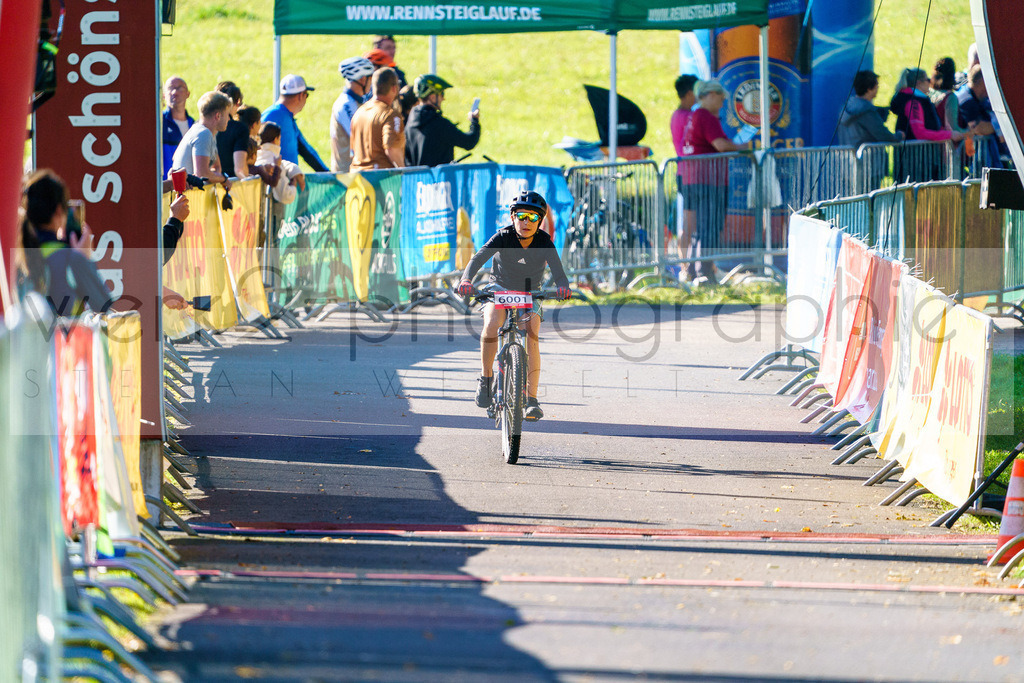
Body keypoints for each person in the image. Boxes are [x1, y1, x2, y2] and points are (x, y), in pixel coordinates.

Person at [455, 191, 572, 421]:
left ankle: (531, 400)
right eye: (521, 216)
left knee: (532, 333)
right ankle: (486, 378)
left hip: (530, 292)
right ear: (512, 217)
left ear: (540, 221)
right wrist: (466, 279)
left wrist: (563, 287)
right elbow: (477, 258)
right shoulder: (503, 237)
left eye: (533, 217)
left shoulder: (544, 243)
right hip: (499, 288)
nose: (526, 222)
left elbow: (560, 274)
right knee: (491, 323)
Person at [15, 169, 114, 315]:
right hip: (63, 338)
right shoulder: (71, 260)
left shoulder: (17, 261)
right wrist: (86, 260)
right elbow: (105, 309)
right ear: (59, 211)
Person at [680, 79, 746, 282]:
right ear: (708, 95)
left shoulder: (694, 115)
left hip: (693, 178)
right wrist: (744, 147)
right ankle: (704, 272)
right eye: (719, 95)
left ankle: (693, 270)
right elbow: (720, 145)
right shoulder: (706, 116)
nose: (723, 100)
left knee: (700, 228)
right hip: (709, 180)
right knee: (710, 227)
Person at [890, 67, 963, 181]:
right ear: (919, 83)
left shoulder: (919, 99)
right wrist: (948, 135)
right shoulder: (913, 102)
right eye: (927, 79)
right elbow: (919, 132)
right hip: (914, 163)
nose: (930, 82)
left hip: (921, 160)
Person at [404, 74, 481, 167]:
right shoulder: (439, 124)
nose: (443, 98)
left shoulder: (409, 124)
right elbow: (469, 142)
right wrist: (474, 121)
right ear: (432, 97)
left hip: (417, 180)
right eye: (441, 94)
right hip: (440, 181)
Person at [261, 74, 329, 172]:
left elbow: (305, 150)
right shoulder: (273, 116)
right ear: (301, 95)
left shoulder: (284, 116)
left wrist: (326, 173)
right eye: (307, 95)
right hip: (274, 182)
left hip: (285, 181)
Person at [168, 91, 233, 192]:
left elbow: (216, 168)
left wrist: (219, 176)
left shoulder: (203, 132)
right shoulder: (203, 134)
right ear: (218, 116)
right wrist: (223, 179)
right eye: (227, 114)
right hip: (186, 199)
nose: (229, 119)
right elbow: (202, 174)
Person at [350, 67, 405, 171]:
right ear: (394, 88)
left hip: (357, 178)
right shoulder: (389, 115)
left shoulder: (359, 112)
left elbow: (352, 150)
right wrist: (404, 171)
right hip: (381, 180)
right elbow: (392, 148)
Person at [670, 74, 698, 262]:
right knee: (690, 223)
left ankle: (685, 265)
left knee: (689, 222)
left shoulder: (676, 115)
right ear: (689, 93)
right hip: (691, 175)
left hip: (684, 173)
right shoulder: (690, 117)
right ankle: (685, 266)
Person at [331, 56, 375, 173]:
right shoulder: (346, 104)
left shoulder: (357, 102)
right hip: (346, 175)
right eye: (370, 78)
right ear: (362, 80)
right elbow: (362, 137)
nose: (372, 84)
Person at [957, 63, 1005, 170]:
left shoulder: (981, 98)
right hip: (972, 155)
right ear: (983, 82)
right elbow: (979, 129)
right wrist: (1004, 125)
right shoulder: (967, 100)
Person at [256, 122, 304, 204]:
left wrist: (293, 169)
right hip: (268, 213)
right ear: (276, 139)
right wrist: (293, 185)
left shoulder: (254, 157)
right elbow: (285, 195)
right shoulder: (275, 163)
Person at [214, 81, 250, 179]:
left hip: (205, 187)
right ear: (237, 102)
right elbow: (240, 169)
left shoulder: (200, 125)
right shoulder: (239, 129)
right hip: (230, 186)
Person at [161, 76, 194, 178]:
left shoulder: (193, 124)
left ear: (187, 94)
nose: (174, 92)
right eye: (170, 88)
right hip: (166, 186)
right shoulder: (159, 123)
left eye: (179, 88)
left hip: (189, 186)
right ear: (164, 95)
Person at [930, 58, 968, 135]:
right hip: (946, 144)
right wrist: (969, 132)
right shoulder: (950, 98)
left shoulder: (929, 93)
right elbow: (952, 128)